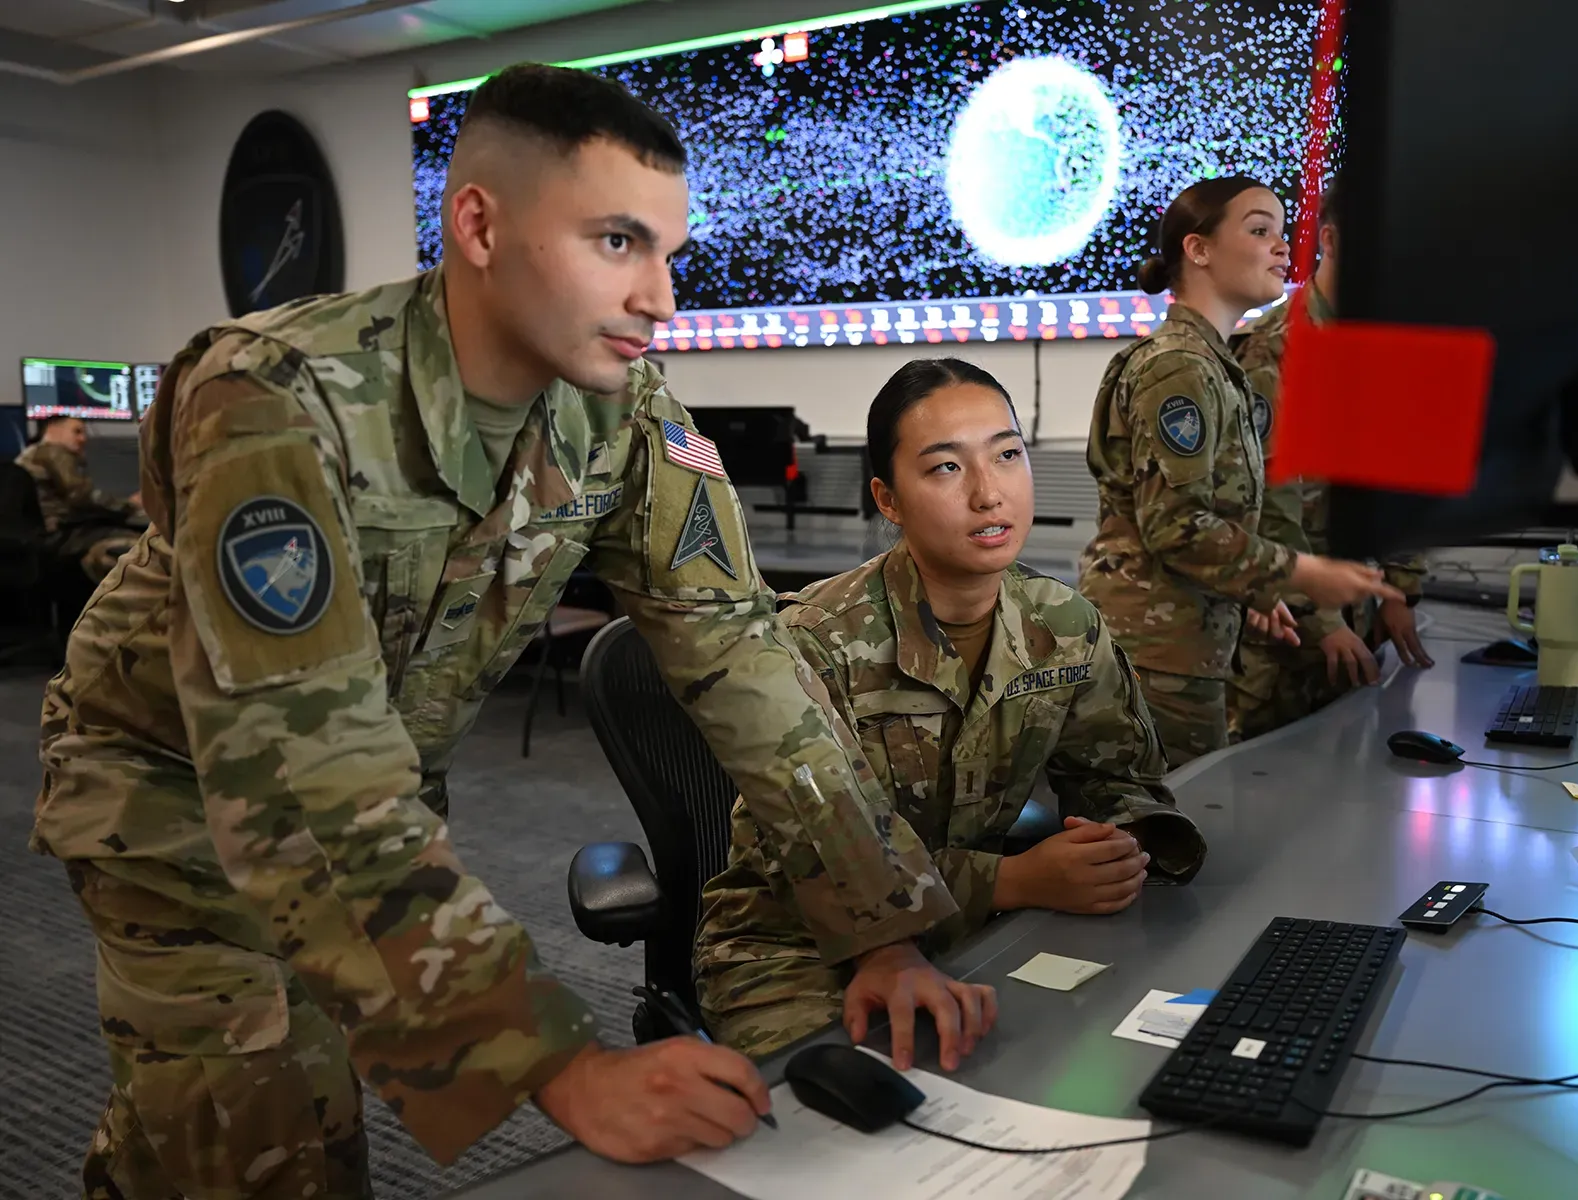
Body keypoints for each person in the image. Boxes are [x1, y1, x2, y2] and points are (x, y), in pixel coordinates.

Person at [34, 64, 977, 1199]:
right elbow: (297, 778)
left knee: (263, 1106)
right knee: (263, 1134)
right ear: (477, 224)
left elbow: (745, 660)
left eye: (670, 253)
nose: (663, 298)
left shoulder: (623, 415)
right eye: (619, 243)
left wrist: (875, 924)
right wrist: (564, 1066)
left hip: (368, 796)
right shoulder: (278, 397)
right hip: (173, 799)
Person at [695, 358, 1206, 1066]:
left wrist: (1118, 845)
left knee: (1089, 1056)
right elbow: (795, 860)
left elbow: (1120, 780)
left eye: (1007, 455)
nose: (989, 493)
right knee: (866, 1105)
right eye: (944, 469)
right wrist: (1012, 879)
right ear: (888, 498)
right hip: (795, 948)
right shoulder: (816, 640)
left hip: (973, 928)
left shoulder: (1065, 625)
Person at [1079, 176, 1403, 764]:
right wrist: (1303, 574)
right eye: (1260, 231)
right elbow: (1176, 527)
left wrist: (1257, 589)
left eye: (1283, 234)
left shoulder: (1212, 364)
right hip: (1160, 652)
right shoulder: (1180, 367)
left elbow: (1222, 515)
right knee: (1166, 838)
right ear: (1197, 249)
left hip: (1191, 641)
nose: (1283, 248)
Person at [1227, 185, 1435, 742]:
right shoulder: (1273, 352)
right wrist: (1324, 621)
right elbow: (1266, 506)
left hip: (1363, 619)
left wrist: (1401, 591)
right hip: (1288, 631)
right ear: (1332, 241)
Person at [15, 415, 145, 581]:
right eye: (76, 432)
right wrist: (131, 505)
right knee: (144, 545)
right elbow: (82, 496)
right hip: (62, 536)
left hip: (44, 539)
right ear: (53, 430)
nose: (83, 439)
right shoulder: (53, 451)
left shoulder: (29, 455)